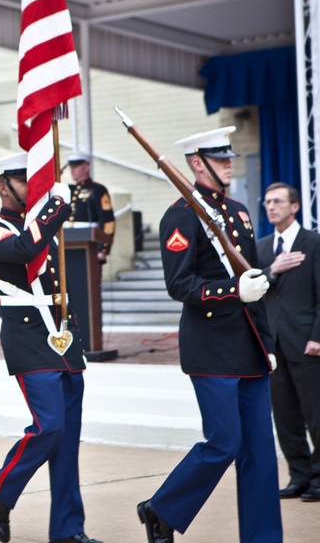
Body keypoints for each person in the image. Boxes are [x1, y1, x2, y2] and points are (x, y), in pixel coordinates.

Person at [136, 127, 279, 543]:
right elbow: (179, 284)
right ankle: (161, 508)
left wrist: (267, 343)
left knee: (261, 455)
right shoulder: (181, 215)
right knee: (224, 443)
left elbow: (254, 284)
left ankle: (264, 538)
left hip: (249, 346)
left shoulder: (238, 212)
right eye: (220, 159)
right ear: (197, 164)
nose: (230, 163)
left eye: (229, 157)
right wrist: (234, 291)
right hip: (211, 347)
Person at [0, 154, 100, 543]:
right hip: (29, 337)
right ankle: (0, 486)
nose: (37, 189)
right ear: (3, 186)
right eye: (25, 181)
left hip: (62, 338)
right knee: (50, 426)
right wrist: (55, 208)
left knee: (68, 441)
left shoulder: (45, 225)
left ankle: (67, 529)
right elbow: (22, 250)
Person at [256, 182, 320, 502]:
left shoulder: (314, 242)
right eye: (267, 202)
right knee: (285, 417)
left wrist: (318, 337)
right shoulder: (262, 247)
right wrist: (272, 270)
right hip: (274, 346)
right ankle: (299, 476)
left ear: (294, 207)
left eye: (278, 201)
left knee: (316, 414)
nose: (271, 207)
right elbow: (254, 291)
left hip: (308, 343)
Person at [65, 152, 115, 263]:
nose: (72, 170)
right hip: (68, 244)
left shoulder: (97, 189)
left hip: (91, 244)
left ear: (87, 167)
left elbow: (107, 221)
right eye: (71, 167)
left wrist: (103, 248)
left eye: (76, 167)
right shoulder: (68, 190)